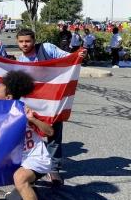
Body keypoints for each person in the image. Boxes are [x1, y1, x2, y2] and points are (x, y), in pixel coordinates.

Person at [16, 28, 85, 186]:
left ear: (34, 40)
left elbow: (69, 59)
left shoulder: (46, 49)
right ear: (17, 42)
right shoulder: (20, 61)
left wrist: (79, 55)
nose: (25, 44)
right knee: (32, 135)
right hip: (32, 103)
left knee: (54, 135)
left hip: (52, 100)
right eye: (21, 42)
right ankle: (32, 167)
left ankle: (54, 169)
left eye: (28, 41)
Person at [0, 70, 53, 200]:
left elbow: (49, 132)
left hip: (36, 157)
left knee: (20, 178)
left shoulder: (25, 110)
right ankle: (23, 189)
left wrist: (32, 119)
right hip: (17, 158)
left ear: (7, 97)